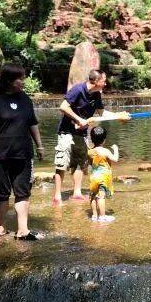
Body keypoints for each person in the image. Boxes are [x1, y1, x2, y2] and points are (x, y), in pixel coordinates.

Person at [0, 64, 44, 240]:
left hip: (23, 153)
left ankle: (23, 230)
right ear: (8, 80)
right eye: (19, 79)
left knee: (23, 192)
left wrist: (39, 146)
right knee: (1, 193)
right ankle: (1, 228)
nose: (23, 82)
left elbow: (32, 123)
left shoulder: (25, 99)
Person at [52, 70, 120, 206]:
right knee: (62, 163)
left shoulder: (96, 94)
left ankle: (77, 193)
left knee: (81, 162)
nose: (105, 83)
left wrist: (118, 116)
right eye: (104, 81)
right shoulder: (77, 90)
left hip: (81, 134)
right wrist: (78, 120)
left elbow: (101, 113)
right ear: (95, 81)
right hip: (66, 132)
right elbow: (63, 107)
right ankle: (57, 196)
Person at [87, 126, 118, 222]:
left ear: (92, 139)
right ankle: (102, 216)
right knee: (101, 196)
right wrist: (116, 149)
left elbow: (88, 163)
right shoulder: (105, 151)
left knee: (93, 196)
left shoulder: (90, 152)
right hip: (103, 177)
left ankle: (94, 216)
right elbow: (115, 159)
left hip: (93, 177)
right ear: (104, 140)